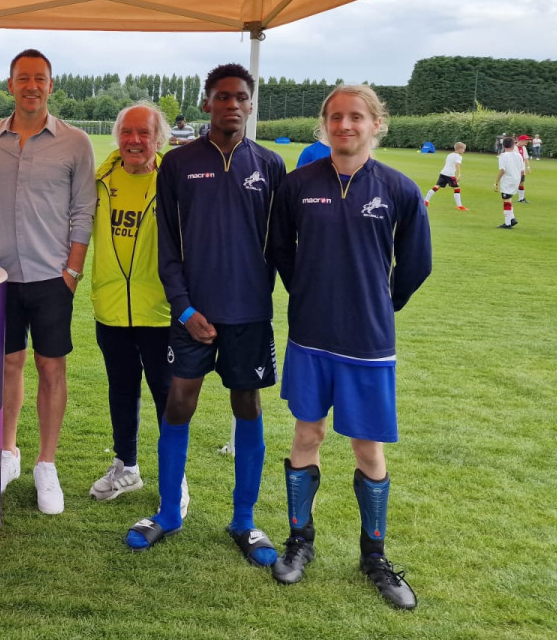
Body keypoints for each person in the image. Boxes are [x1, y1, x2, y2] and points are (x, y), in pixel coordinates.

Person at [267, 85, 431, 610]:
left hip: (368, 342)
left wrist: (382, 304)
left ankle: (375, 557)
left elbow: (416, 264)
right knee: (307, 433)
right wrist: (309, 292)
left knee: (367, 448)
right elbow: (280, 252)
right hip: (311, 337)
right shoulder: (297, 186)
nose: (344, 125)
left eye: (356, 117)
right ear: (325, 125)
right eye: (335, 117)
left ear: (375, 124)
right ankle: (299, 542)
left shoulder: (400, 189)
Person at [125, 64, 287, 566]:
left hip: (249, 315)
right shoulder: (178, 164)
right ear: (206, 103)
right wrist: (184, 307)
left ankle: (244, 520)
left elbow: (282, 246)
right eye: (221, 97)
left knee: (247, 407)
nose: (231, 105)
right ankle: (169, 512)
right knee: (179, 403)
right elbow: (167, 244)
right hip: (192, 313)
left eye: (240, 97)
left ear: (251, 104)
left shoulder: (270, 165)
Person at [0, 49, 96, 515]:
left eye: (40, 79)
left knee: (51, 368)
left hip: (53, 277)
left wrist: (72, 271)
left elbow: (83, 211)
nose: (32, 86)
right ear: (9, 85)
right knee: (7, 365)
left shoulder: (75, 143)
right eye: (23, 78)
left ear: (51, 86)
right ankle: (7, 453)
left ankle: (46, 464)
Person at [88, 103, 173, 505]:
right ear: (117, 136)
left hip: (160, 310)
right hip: (111, 308)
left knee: (166, 395)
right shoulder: (101, 176)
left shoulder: (173, 179)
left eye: (144, 133)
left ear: (159, 139)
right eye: (127, 133)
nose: (134, 141)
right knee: (122, 390)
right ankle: (127, 467)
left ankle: (174, 478)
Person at [423, 142, 468, 210]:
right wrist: (459, 174)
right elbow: (457, 164)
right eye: (463, 149)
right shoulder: (459, 157)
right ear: (460, 149)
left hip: (443, 173)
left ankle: (425, 201)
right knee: (457, 189)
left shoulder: (449, 155)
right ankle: (460, 206)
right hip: (450, 175)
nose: (464, 151)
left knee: (436, 187)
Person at [496, 137, 524, 229]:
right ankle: (512, 218)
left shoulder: (503, 156)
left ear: (503, 145)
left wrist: (496, 182)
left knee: (506, 200)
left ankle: (507, 223)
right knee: (509, 198)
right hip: (517, 179)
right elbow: (521, 169)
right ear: (513, 145)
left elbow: (502, 170)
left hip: (508, 179)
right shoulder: (518, 155)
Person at [515, 135, 531, 202]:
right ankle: (506, 196)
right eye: (525, 141)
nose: (526, 142)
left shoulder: (524, 148)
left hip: (522, 169)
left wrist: (528, 167)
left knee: (521, 182)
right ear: (521, 140)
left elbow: (526, 158)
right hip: (514, 168)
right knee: (513, 182)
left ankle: (521, 198)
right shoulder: (513, 148)